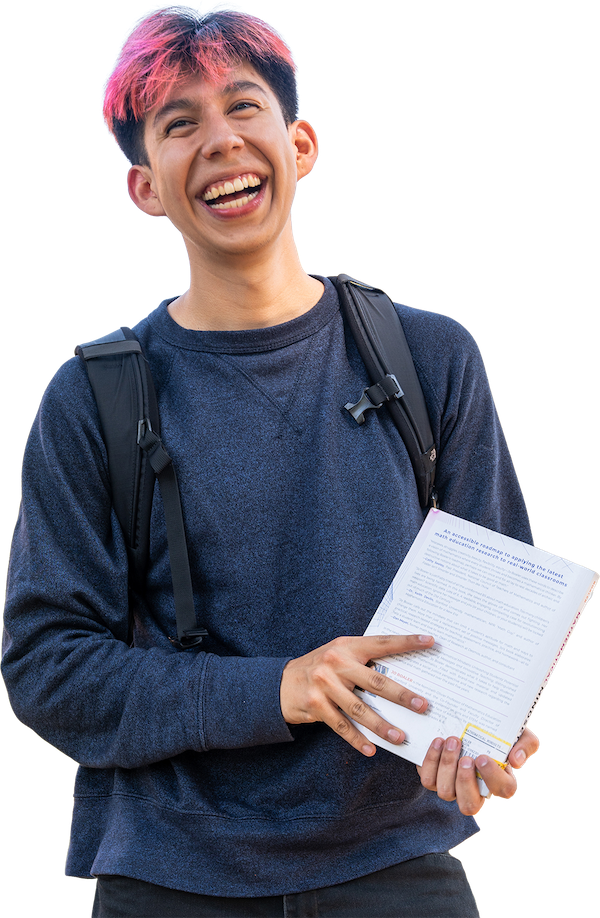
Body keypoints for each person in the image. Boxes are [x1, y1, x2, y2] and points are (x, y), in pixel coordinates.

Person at [1, 3, 540, 915]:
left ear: (300, 144)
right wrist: (278, 688)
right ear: (144, 187)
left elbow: (502, 609)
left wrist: (486, 728)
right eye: (179, 124)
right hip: (169, 873)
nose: (219, 140)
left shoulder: (431, 357)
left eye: (243, 107)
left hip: (396, 861)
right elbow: (49, 670)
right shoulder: (92, 398)